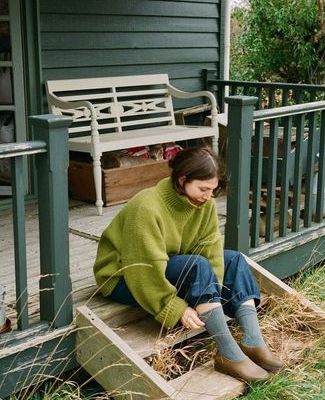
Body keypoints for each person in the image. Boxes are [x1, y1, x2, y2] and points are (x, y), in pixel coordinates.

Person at [94, 147, 283, 382]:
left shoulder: (205, 203)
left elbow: (211, 247)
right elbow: (142, 269)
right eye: (203, 189)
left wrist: (210, 294)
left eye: (212, 190)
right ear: (183, 179)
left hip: (169, 264)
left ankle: (253, 342)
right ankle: (228, 354)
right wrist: (175, 306)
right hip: (124, 276)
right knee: (197, 265)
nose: (208, 196)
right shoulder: (147, 206)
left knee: (234, 259)